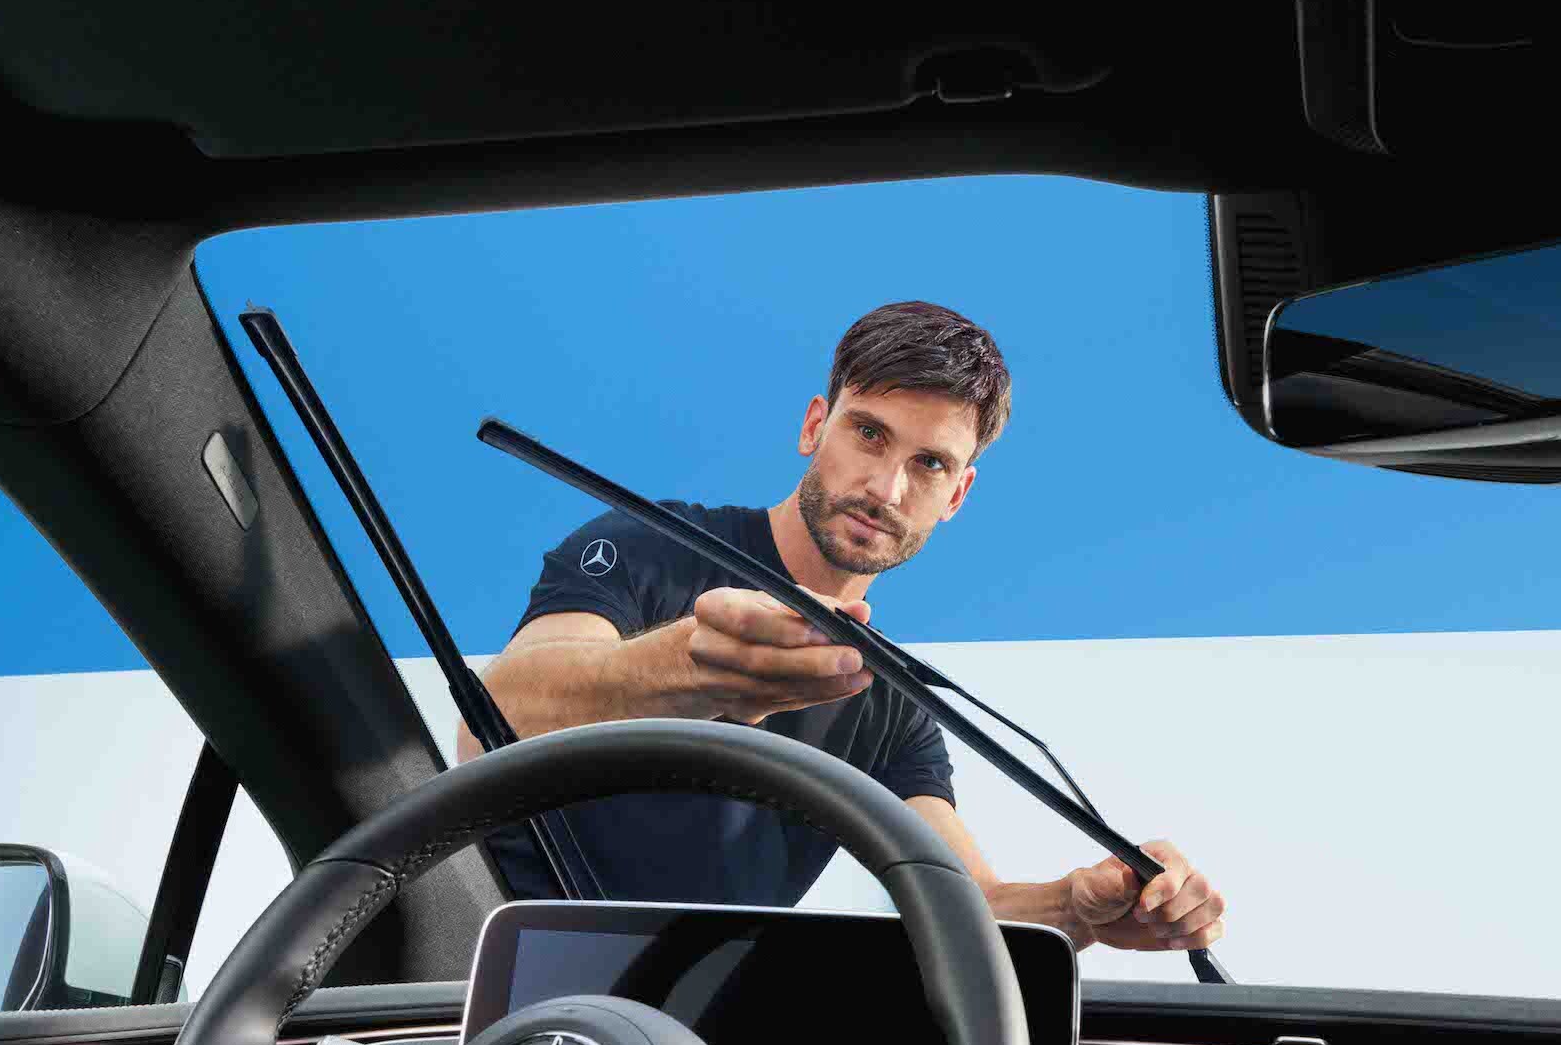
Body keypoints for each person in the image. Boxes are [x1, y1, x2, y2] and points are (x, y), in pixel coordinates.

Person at [466, 301, 1227, 956]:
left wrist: (1081, 906)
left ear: (956, 495)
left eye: (928, 464)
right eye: (869, 434)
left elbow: (967, 904)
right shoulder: (647, 547)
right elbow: (491, 721)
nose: (885, 487)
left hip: (684, 1029)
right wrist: (682, 671)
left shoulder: (890, 702)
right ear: (814, 426)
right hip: (487, 966)